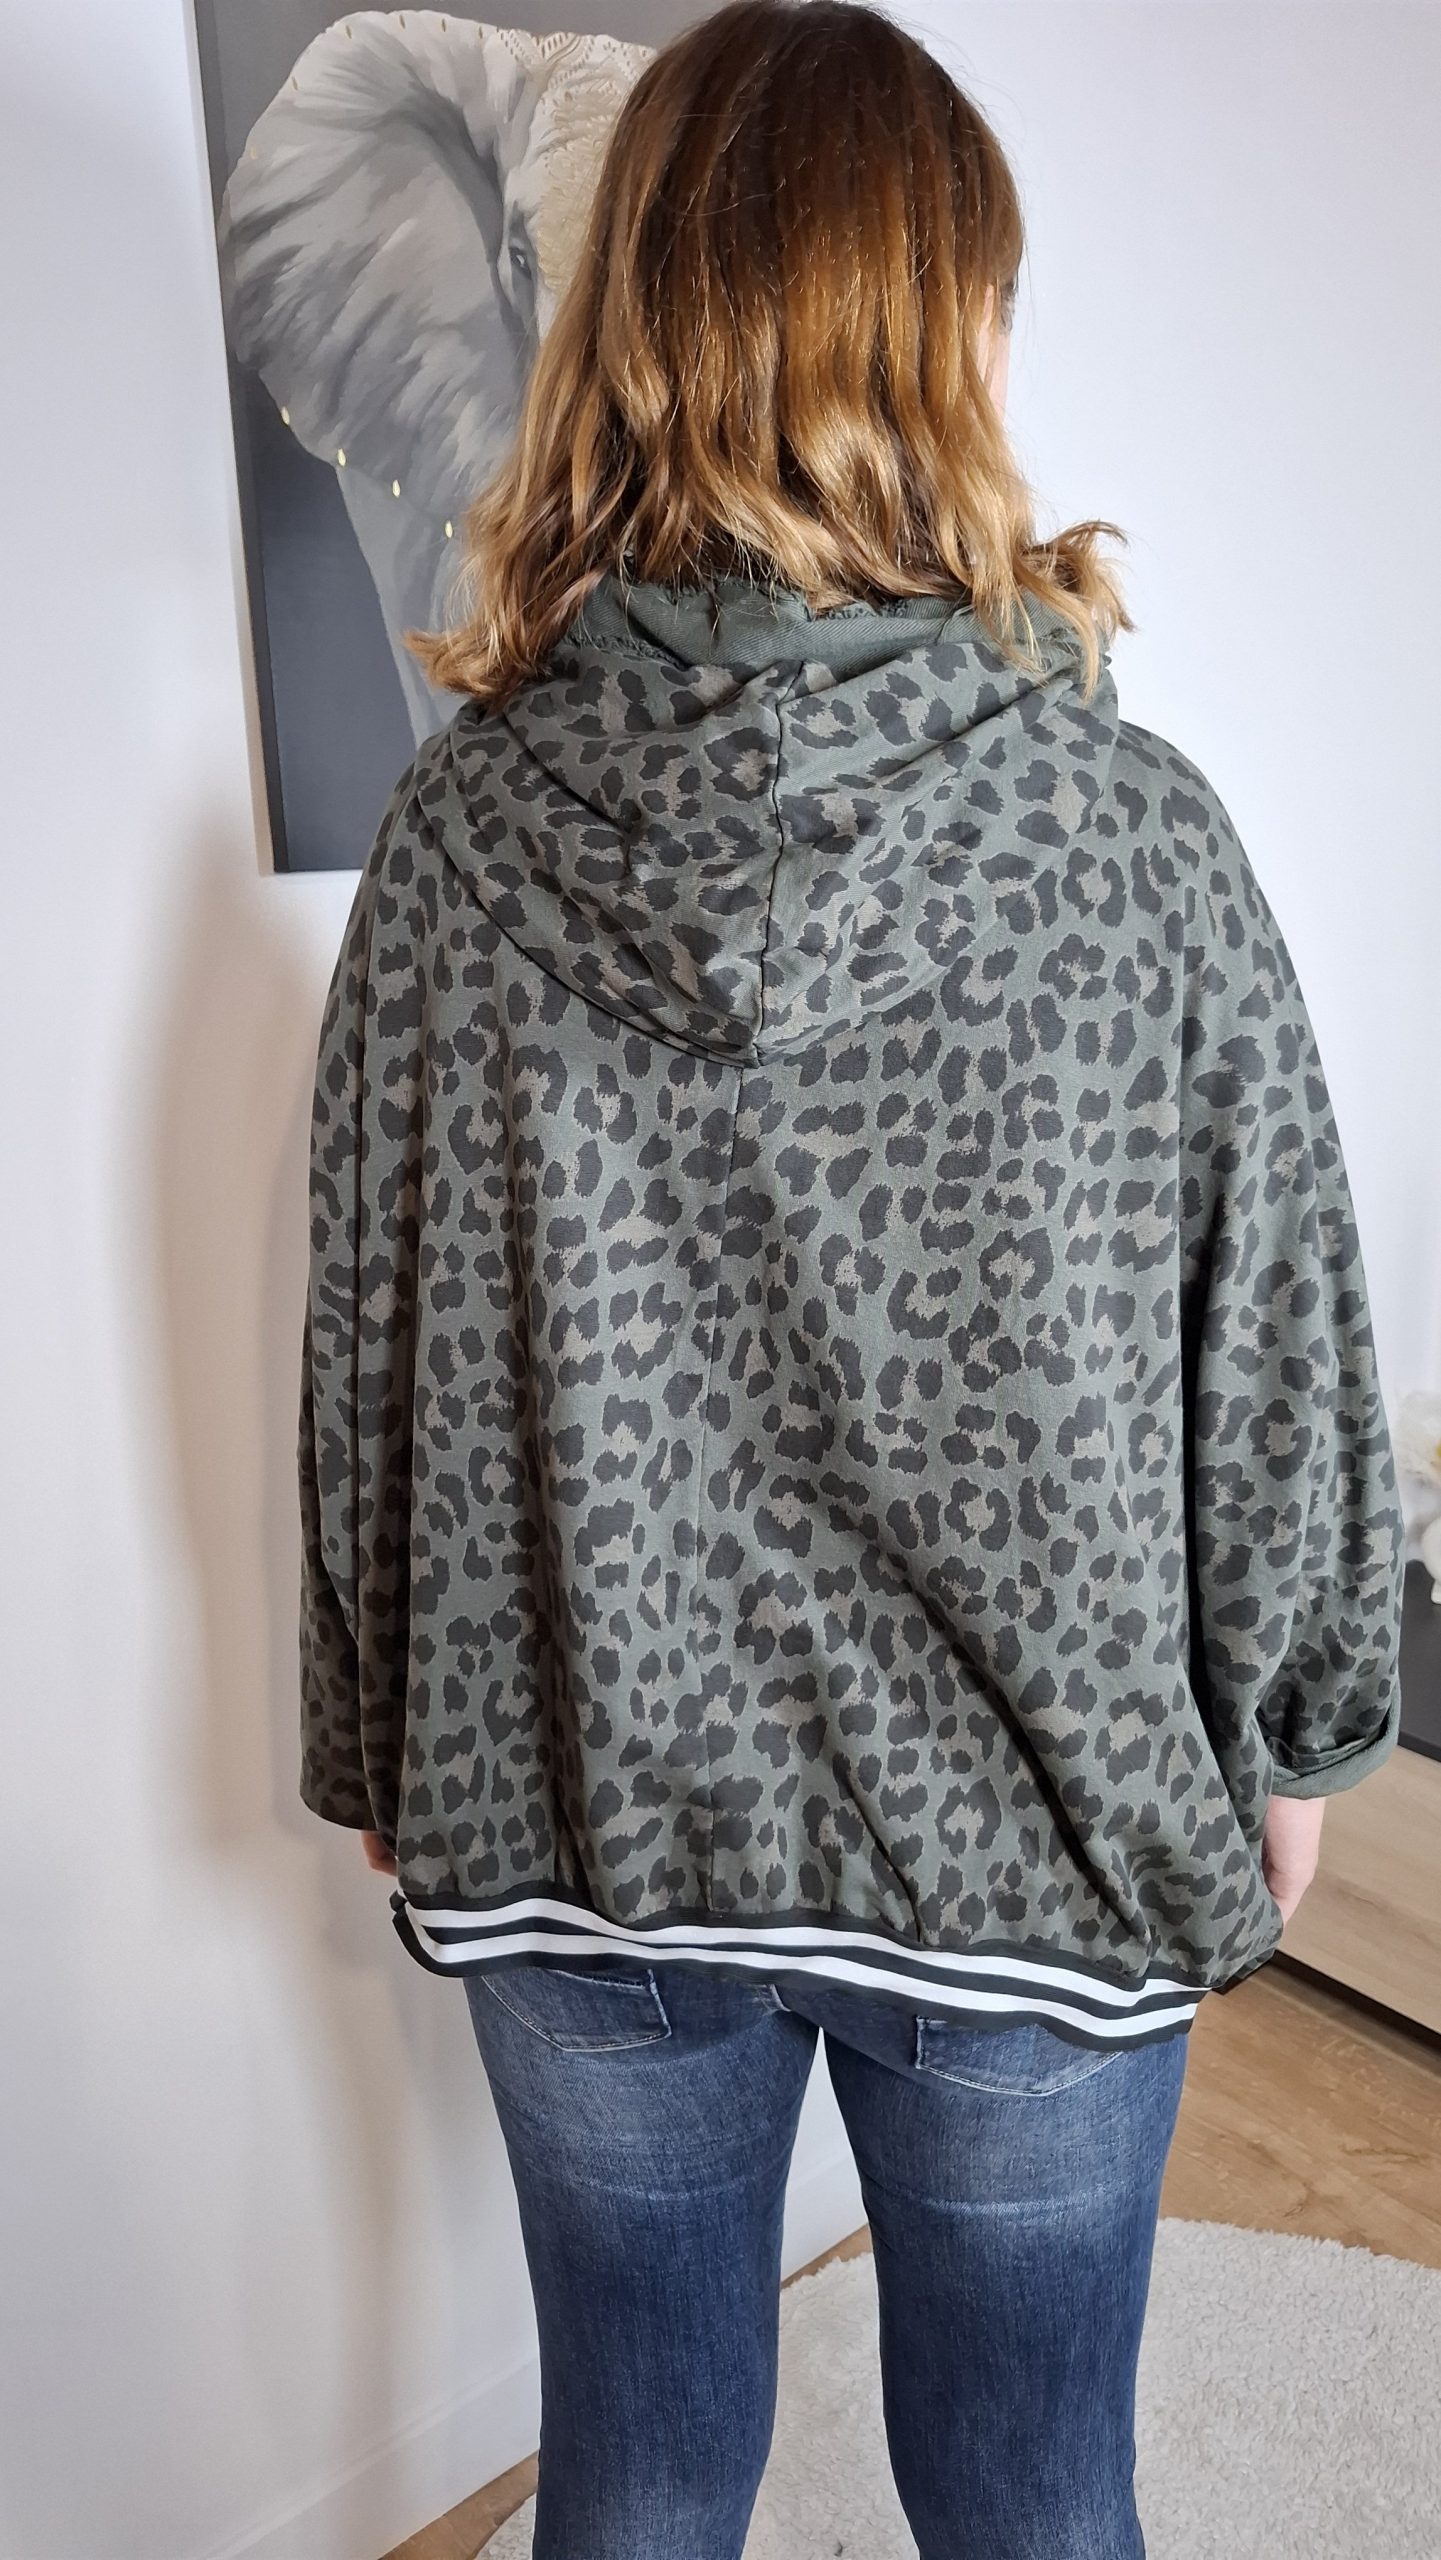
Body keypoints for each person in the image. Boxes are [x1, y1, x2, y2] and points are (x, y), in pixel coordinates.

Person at [295, 6, 1405, 2553]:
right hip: (1030, 1845)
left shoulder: (455, 841)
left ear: (631, 316)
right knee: (1033, 2503)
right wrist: (1302, 1730)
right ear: (943, 330)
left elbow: (369, 1349)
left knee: (640, 2473)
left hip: (582, 1810)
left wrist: (381, 1736)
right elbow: (1273, 1340)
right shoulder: (1126, 836)